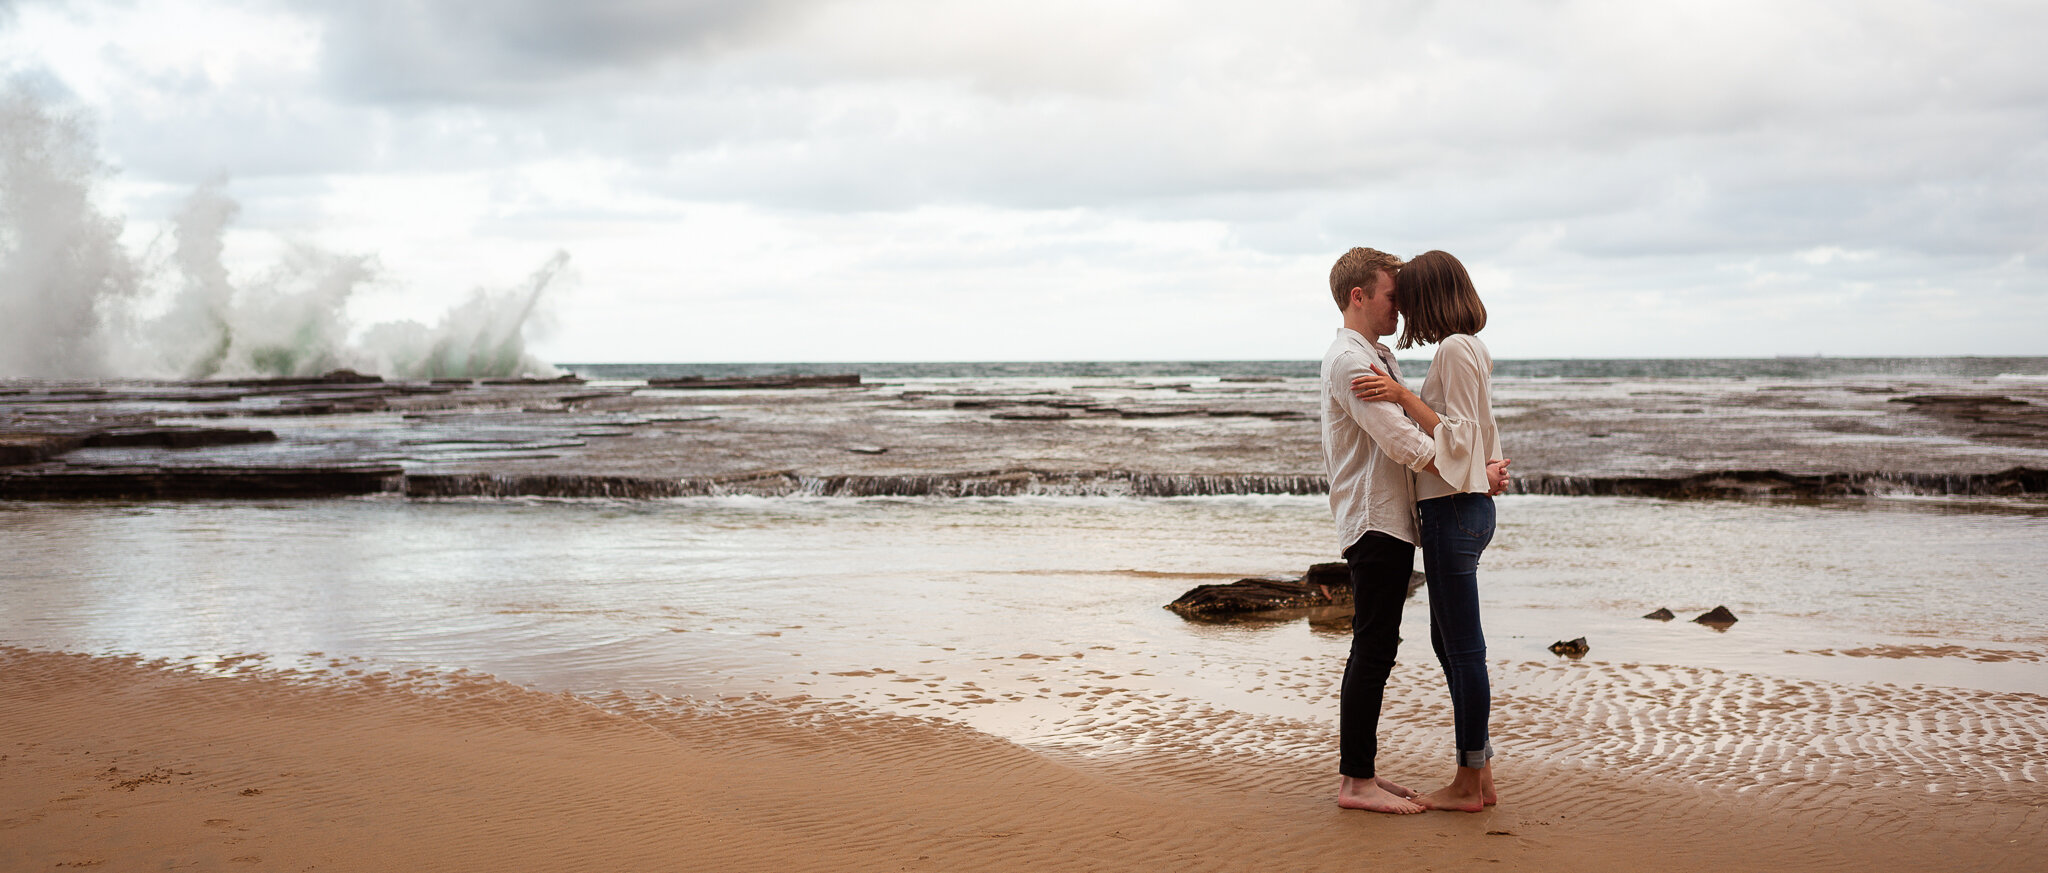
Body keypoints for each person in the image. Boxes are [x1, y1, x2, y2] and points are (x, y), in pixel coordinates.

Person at [1317, 248, 1507, 815]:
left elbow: (1448, 427)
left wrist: (1475, 467)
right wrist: (1475, 471)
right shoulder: (1352, 362)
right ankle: (1357, 782)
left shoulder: (1380, 357)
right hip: (1375, 520)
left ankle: (1383, 776)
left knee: (1401, 645)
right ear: (1360, 297)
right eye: (1391, 297)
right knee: (1375, 646)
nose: (1401, 310)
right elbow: (1401, 442)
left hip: (1400, 521)